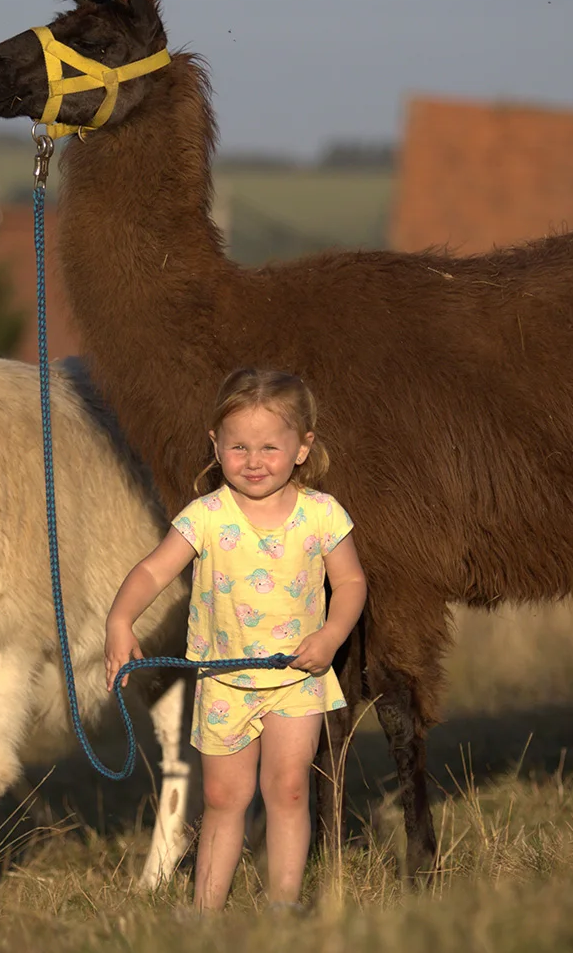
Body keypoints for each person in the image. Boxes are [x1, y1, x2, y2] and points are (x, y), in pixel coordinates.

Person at [103, 368, 368, 911]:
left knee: (289, 788)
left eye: (270, 446)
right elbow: (153, 572)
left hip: (298, 677)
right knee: (225, 798)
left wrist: (333, 634)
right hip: (224, 682)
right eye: (239, 446)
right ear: (215, 444)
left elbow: (350, 582)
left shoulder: (321, 515)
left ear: (302, 448)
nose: (253, 460)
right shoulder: (206, 517)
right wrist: (120, 621)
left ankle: (283, 904)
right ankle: (204, 912)